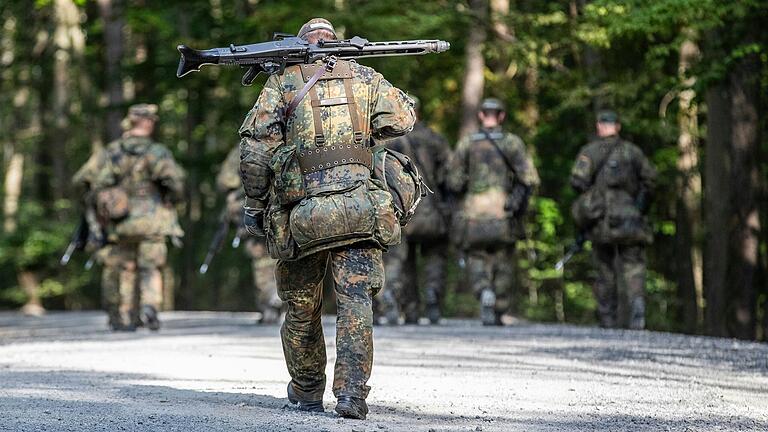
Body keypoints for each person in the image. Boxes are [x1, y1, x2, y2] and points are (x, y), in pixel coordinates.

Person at [238, 18, 414, 419]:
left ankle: (306, 390)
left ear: (300, 45)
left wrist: (255, 204)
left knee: (301, 306)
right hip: (359, 209)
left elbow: (255, 151)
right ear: (337, 41)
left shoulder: (283, 82)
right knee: (356, 303)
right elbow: (401, 121)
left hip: (301, 214)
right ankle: (352, 394)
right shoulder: (366, 76)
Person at [73, 104, 185, 331]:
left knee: (123, 268)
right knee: (150, 267)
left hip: (119, 221)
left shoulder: (111, 151)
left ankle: (123, 313)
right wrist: (171, 199)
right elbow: (175, 182)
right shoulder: (157, 152)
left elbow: (83, 180)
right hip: (152, 221)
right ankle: (149, 307)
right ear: (147, 123)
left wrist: (103, 202)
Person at [448, 98, 539, 326]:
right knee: (504, 260)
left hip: (474, 215)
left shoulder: (467, 143)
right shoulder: (512, 143)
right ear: (501, 116)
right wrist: (518, 203)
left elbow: (454, 182)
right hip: (503, 214)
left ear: (481, 115)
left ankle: (483, 291)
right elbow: (529, 178)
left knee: (476, 257)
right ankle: (499, 307)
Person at [570, 110, 656, 330]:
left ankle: (607, 318)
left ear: (600, 127)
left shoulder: (590, 152)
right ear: (617, 127)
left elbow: (577, 181)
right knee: (633, 266)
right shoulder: (633, 152)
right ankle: (637, 305)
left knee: (604, 269)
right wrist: (639, 208)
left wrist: (592, 198)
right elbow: (651, 181)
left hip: (602, 219)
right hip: (630, 218)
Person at [375, 97, 451, 325]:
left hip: (399, 210)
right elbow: (450, 176)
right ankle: (432, 296)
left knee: (399, 261)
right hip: (430, 211)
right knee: (434, 256)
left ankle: (397, 300)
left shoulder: (385, 142)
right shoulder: (434, 139)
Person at [216, 147, 281, 324]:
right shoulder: (288, 139)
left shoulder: (243, 148)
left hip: (253, 208)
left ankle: (269, 300)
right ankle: (279, 297)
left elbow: (225, 180)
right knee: (283, 253)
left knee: (260, 256)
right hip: (282, 206)